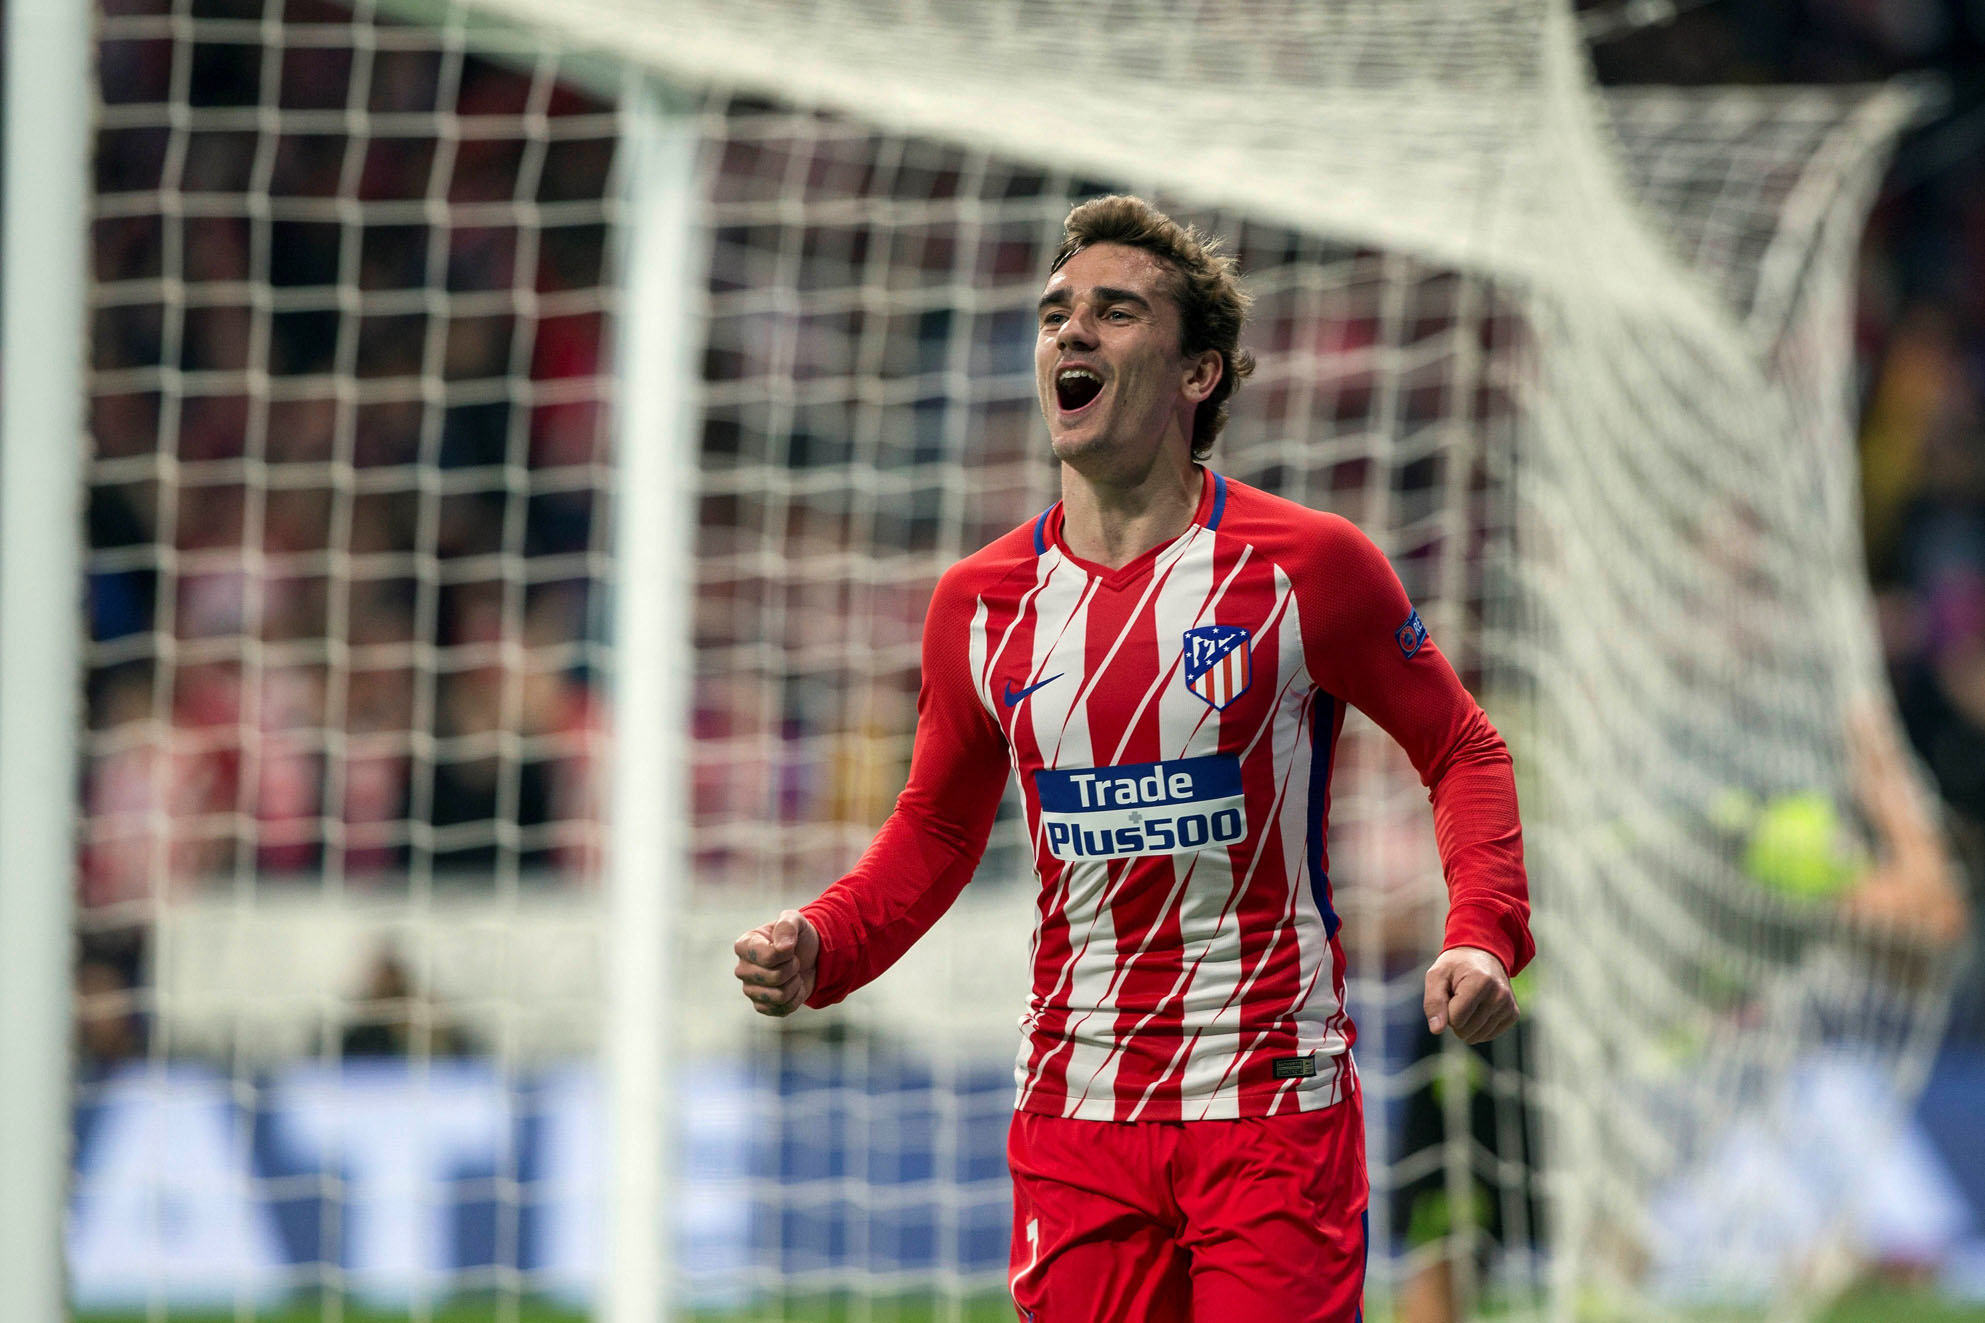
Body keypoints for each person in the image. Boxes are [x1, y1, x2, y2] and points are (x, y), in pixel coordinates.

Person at [732, 195, 1533, 1322]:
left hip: (1268, 1106)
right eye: (1057, 312)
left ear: (1197, 371)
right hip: (1075, 1109)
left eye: (1114, 313)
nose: (1071, 333)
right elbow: (939, 827)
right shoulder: (980, 604)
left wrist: (1481, 931)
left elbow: (1461, 746)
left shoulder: (1307, 567)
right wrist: (827, 944)